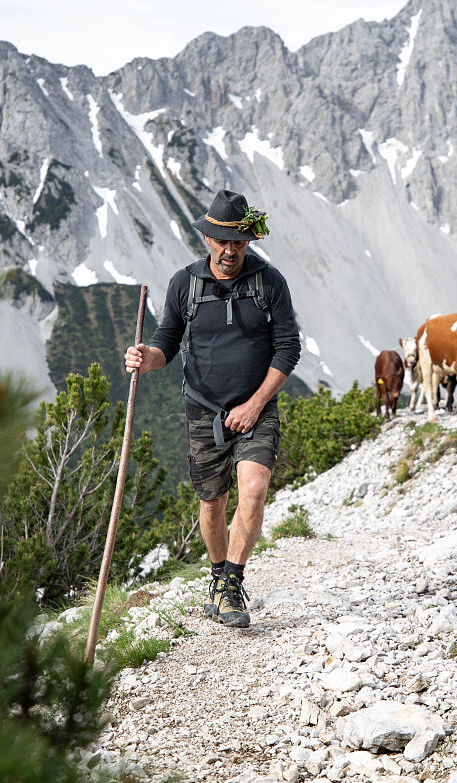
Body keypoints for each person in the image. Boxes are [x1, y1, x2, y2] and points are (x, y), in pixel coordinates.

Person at [124, 189, 300, 629]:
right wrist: (149, 359)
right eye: (221, 240)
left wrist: (256, 403)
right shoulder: (185, 283)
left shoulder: (269, 281)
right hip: (203, 410)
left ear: (248, 240)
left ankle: (233, 583)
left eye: (237, 241)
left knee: (255, 490)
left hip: (257, 408)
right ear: (207, 239)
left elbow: (288, 348)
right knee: (211, 502)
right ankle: (219, 577)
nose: (229, 250)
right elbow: (167, 340)